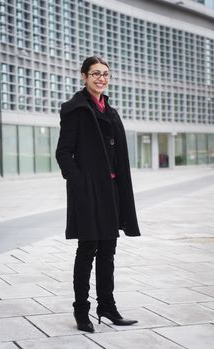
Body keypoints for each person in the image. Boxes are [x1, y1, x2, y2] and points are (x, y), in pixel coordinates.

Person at [55, 56, 141, 333]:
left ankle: (107, 307)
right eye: (95, 73)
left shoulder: (111, 111)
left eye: (105, 74)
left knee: (108, 251)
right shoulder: (76, 110)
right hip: (89, 192)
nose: (101, 78)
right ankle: (82, 311)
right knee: (87, 249)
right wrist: (79, 182)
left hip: (112, 192)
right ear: (83, 76)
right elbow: (63, 152)